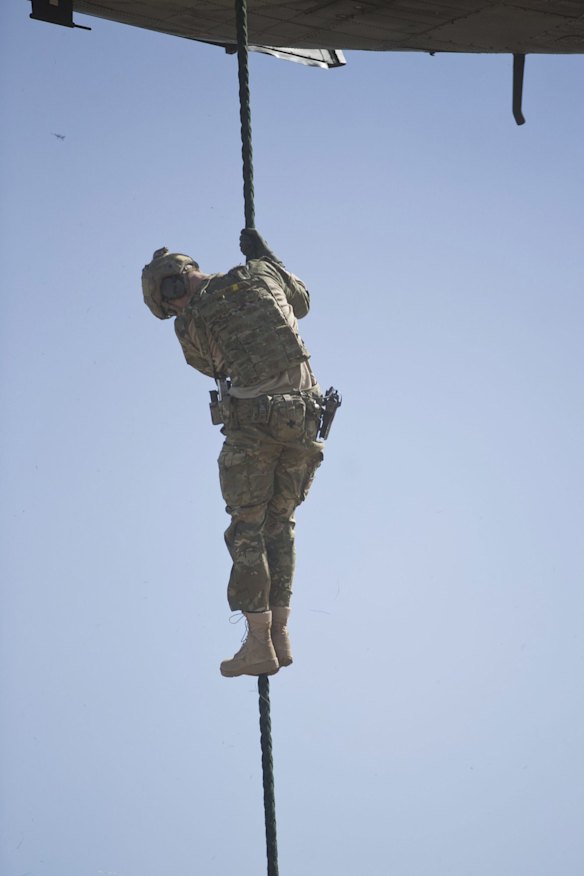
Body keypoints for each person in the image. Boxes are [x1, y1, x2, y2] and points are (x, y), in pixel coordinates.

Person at [141, 230, 326, 678]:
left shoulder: (190, 322)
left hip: (255, 427)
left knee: (247, 531)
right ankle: (280, 632)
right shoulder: (261, 273)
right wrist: (268, 257)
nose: (175, 312)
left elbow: (208, 364)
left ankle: (259, 643)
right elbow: (302, 302)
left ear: (172, 288)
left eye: (170, 306)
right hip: (305, 420)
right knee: (281, 523)